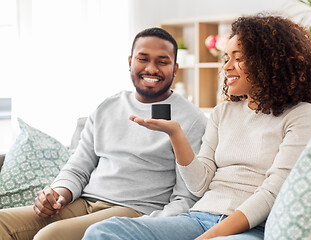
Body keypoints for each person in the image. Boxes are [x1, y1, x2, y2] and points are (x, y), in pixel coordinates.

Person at [82, 14, 311, 240]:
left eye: (238, 58)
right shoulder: (223, 113)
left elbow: (272, 193)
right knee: (104, 231)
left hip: (251, 227)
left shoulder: (302, 115)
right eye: (227, 58)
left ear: (269, 62)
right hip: (198, 217)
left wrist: (209, 237)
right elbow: (199, 184)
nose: (227, 67)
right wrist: (175, 133)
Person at [0, 27, 208, 240]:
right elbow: (79, 166)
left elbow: (186, 196)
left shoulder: (191, 120)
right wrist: (57, 194)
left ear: (175, 68)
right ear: (130, 62)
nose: (151, 68)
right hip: (84, 202)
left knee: (50, 236)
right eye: (142, 59)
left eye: (163, 62)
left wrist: (151, 226)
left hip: (134, 211)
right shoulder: (107, 107)